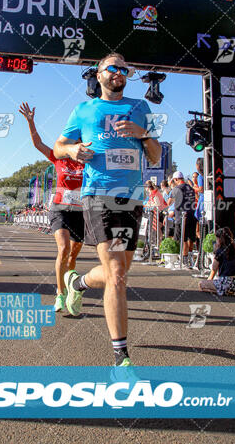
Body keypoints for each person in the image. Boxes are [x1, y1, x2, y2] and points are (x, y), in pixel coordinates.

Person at [53, 53, 161, 367]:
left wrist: (143, 134)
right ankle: (121, 358)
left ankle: (78, 283)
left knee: (121, 273)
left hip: (131, 199)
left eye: (124, 69)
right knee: (115, 276)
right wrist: (72, 149)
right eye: (113, 67)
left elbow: (154, 155)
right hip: (99, 195)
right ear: (99, 74)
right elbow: (59, 146)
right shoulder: (83, 109)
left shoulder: (141, 107)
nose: (119, 72)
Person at [19, 102, 84, 312]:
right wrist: (31, 122)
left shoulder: (88, 162)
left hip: (81, 211)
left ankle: (71, 289)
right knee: (63, 249)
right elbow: (38, 143)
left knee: (73, 255)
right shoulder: (58, 158)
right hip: (60, 209)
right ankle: (59, 293)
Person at [199, 227, 235, 295]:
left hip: (225, 281)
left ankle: (223, 291)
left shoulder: (220, 251)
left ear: (219, 239)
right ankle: (232, 290)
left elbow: (214, 268)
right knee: (209, 285)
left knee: (201, 284)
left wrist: (209, 280)